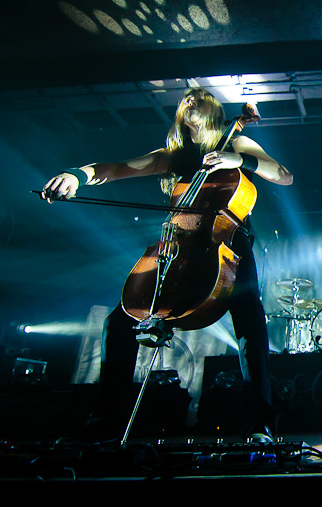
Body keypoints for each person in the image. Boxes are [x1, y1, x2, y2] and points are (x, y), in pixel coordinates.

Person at [41, 88, 293, 442]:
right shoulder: (174, 155)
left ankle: (260, 423)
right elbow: (114, 169)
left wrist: (239, 161)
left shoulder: (237, 141)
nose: (190, 99)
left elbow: (283, 175)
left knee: (249, 317)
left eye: (200, 97)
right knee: (121, 320)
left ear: (214, 110)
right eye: (185, 98)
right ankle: (105, 423)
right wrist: (76, 176)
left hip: (228, 243)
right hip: (178, 247)